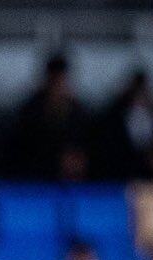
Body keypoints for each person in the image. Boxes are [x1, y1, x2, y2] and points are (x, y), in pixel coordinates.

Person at [6, 53, 91, 182]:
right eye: (55, 81)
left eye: (61, 81)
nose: (58, 87)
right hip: (35, 182)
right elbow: (20, 153)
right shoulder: (29, 113)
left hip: (72, 185)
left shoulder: (79, 113)